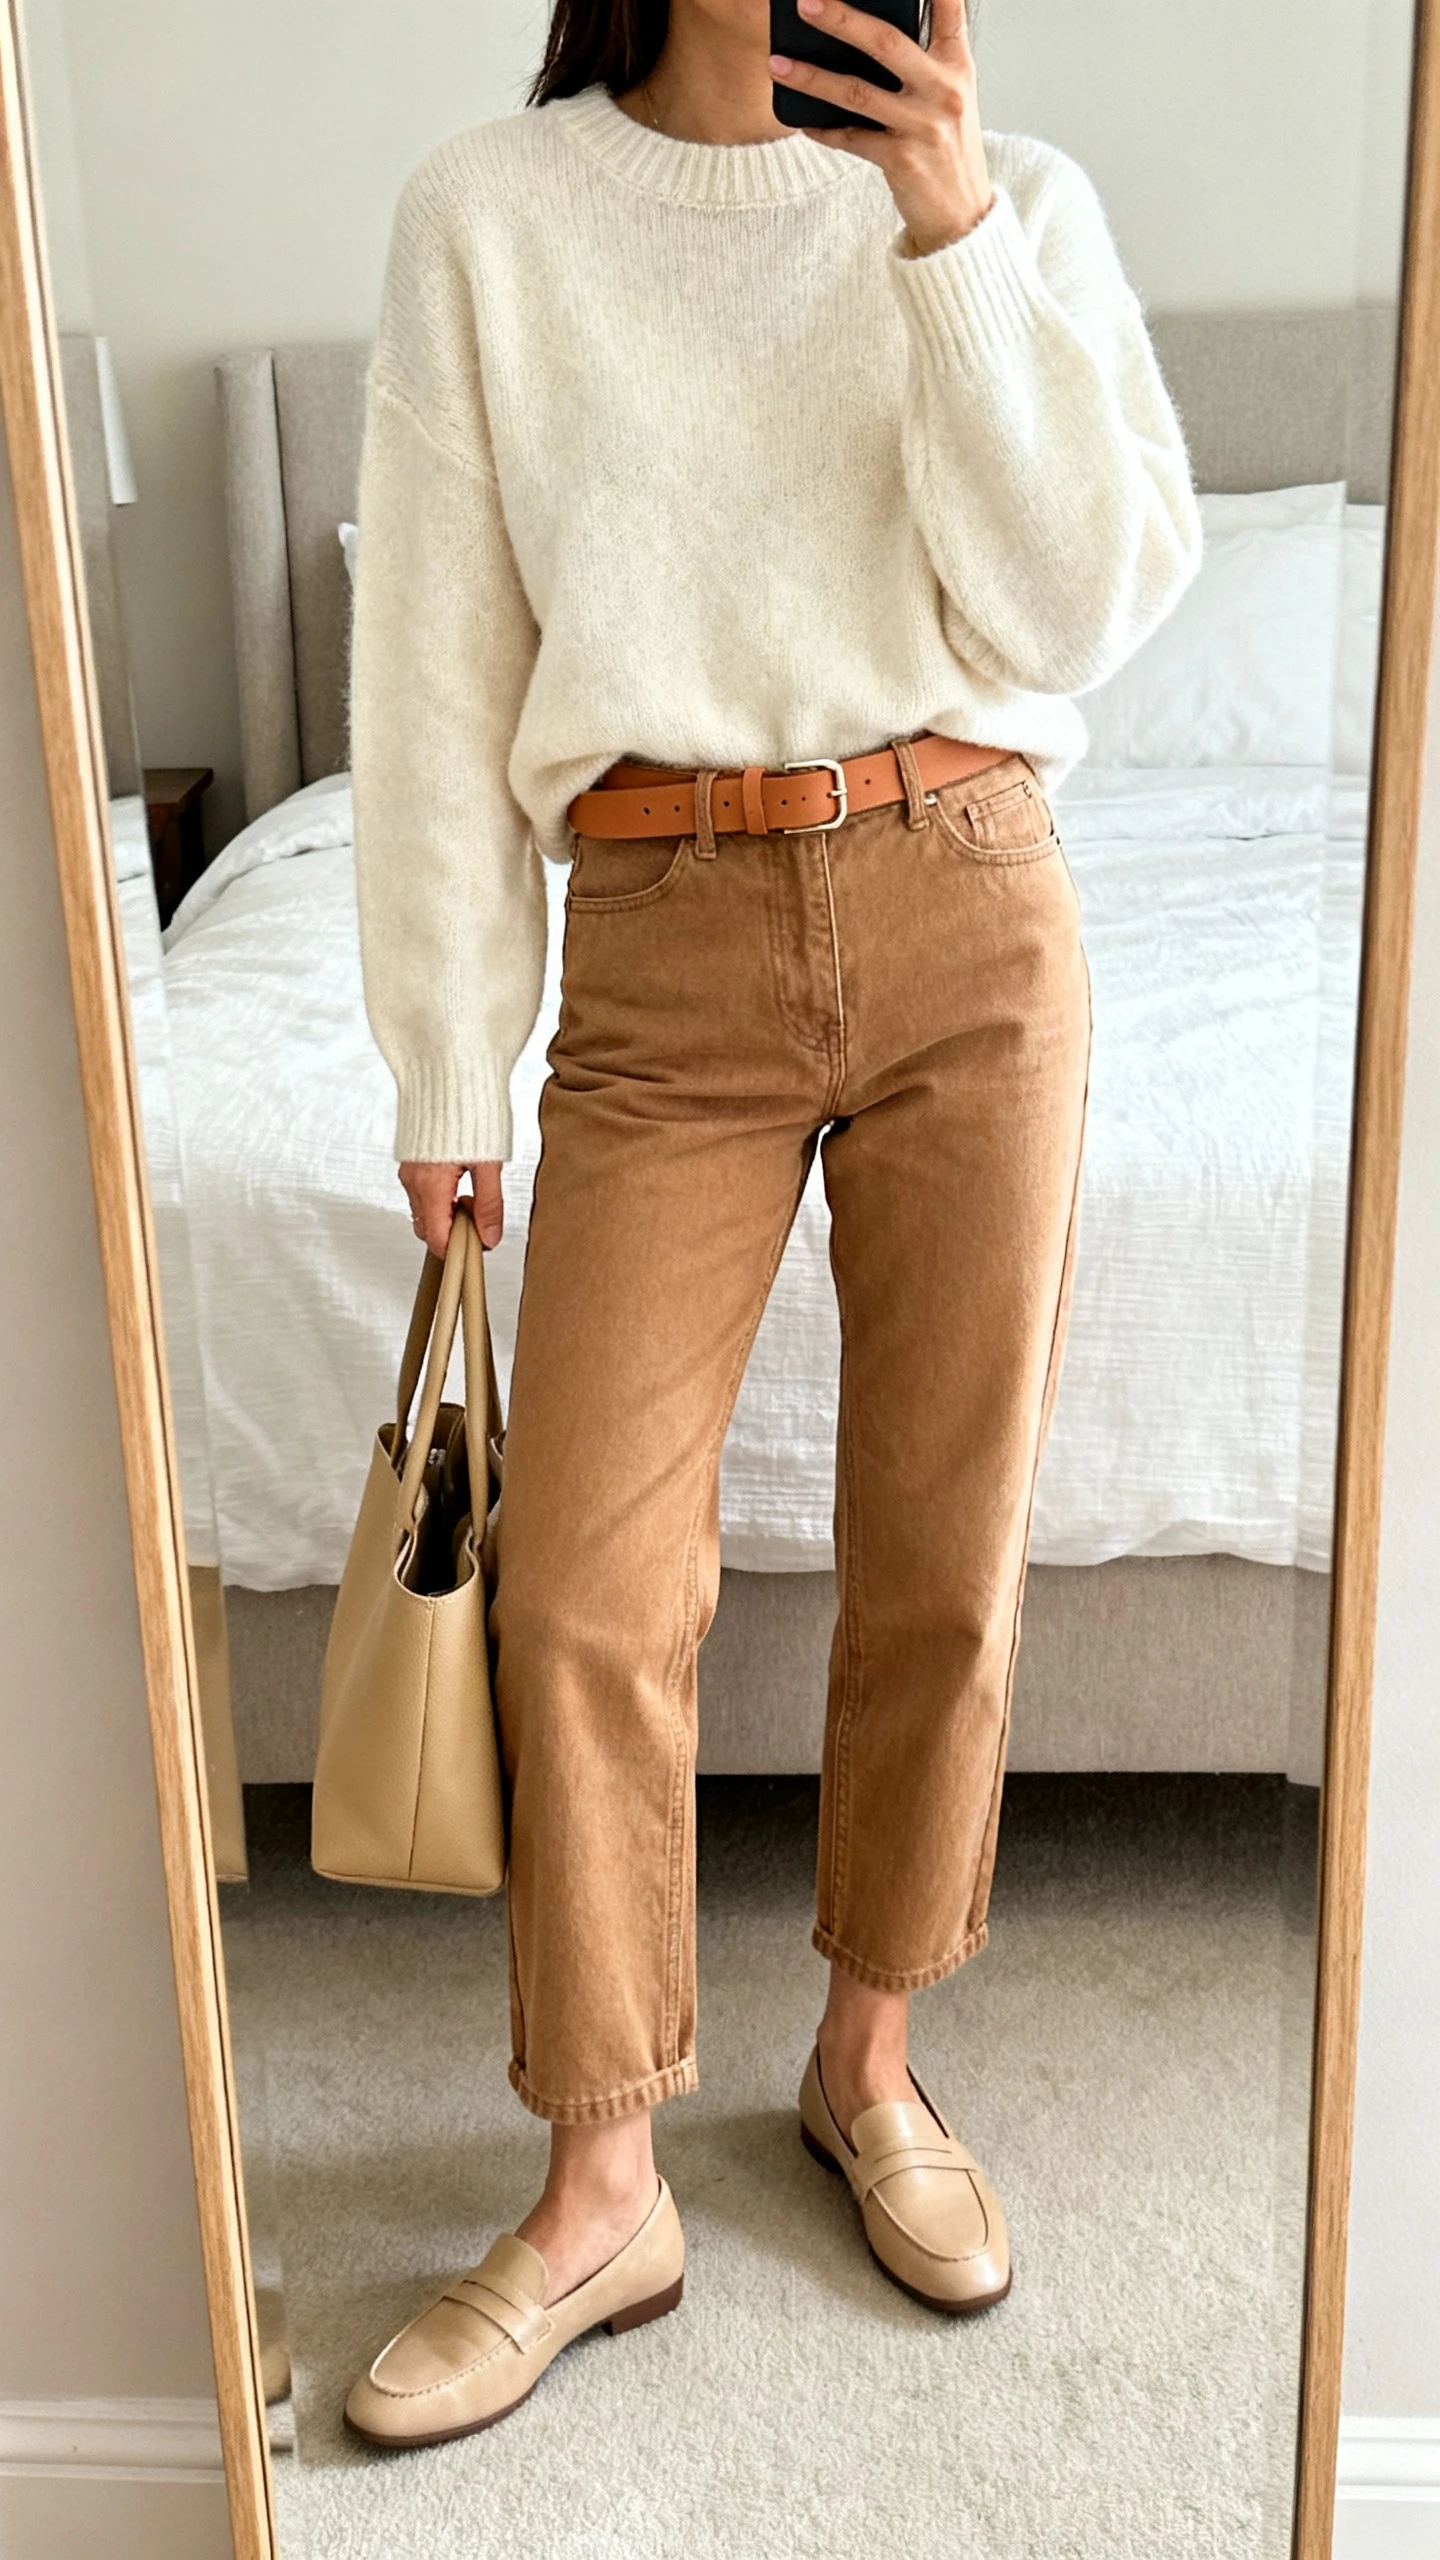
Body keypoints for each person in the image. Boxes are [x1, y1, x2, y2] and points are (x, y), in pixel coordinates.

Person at [343, 0, 1201, 2448]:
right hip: (660, 943)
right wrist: (441, 1047)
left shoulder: (1007, 193)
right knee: (594, 1577)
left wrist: (941, 227)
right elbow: (430, 672)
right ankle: (601, 2171)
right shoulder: (490, 221)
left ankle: (871, 2057)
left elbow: (1080, 601)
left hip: (971, 901)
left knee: (944, 1537)